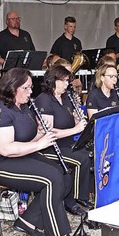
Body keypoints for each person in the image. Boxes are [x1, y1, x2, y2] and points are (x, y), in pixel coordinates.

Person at [0, 68, 82, 236]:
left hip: (18, 155)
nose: (30, 92)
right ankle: (57, 233)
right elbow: (5, 149)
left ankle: (27, 221)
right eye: (26, 88)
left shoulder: (24, 107)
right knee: (52, 179)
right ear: (13, 88)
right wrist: (40, 144)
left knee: (63, 173)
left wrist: (41, 134)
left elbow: (25, 138)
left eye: (30, 87)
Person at [35, 65, 93, 209]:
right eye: (64, 80)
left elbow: (71, 122)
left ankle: (84, 194)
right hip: (50, 146)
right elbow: (49, 131)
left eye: (68, 81)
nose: (67, 84)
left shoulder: (66, 97)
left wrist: (78, 120)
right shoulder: (44, 99)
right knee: (81, 159)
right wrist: (75, 129)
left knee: (89, 154)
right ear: (53, 80)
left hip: (66, 142)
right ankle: (74, 200)